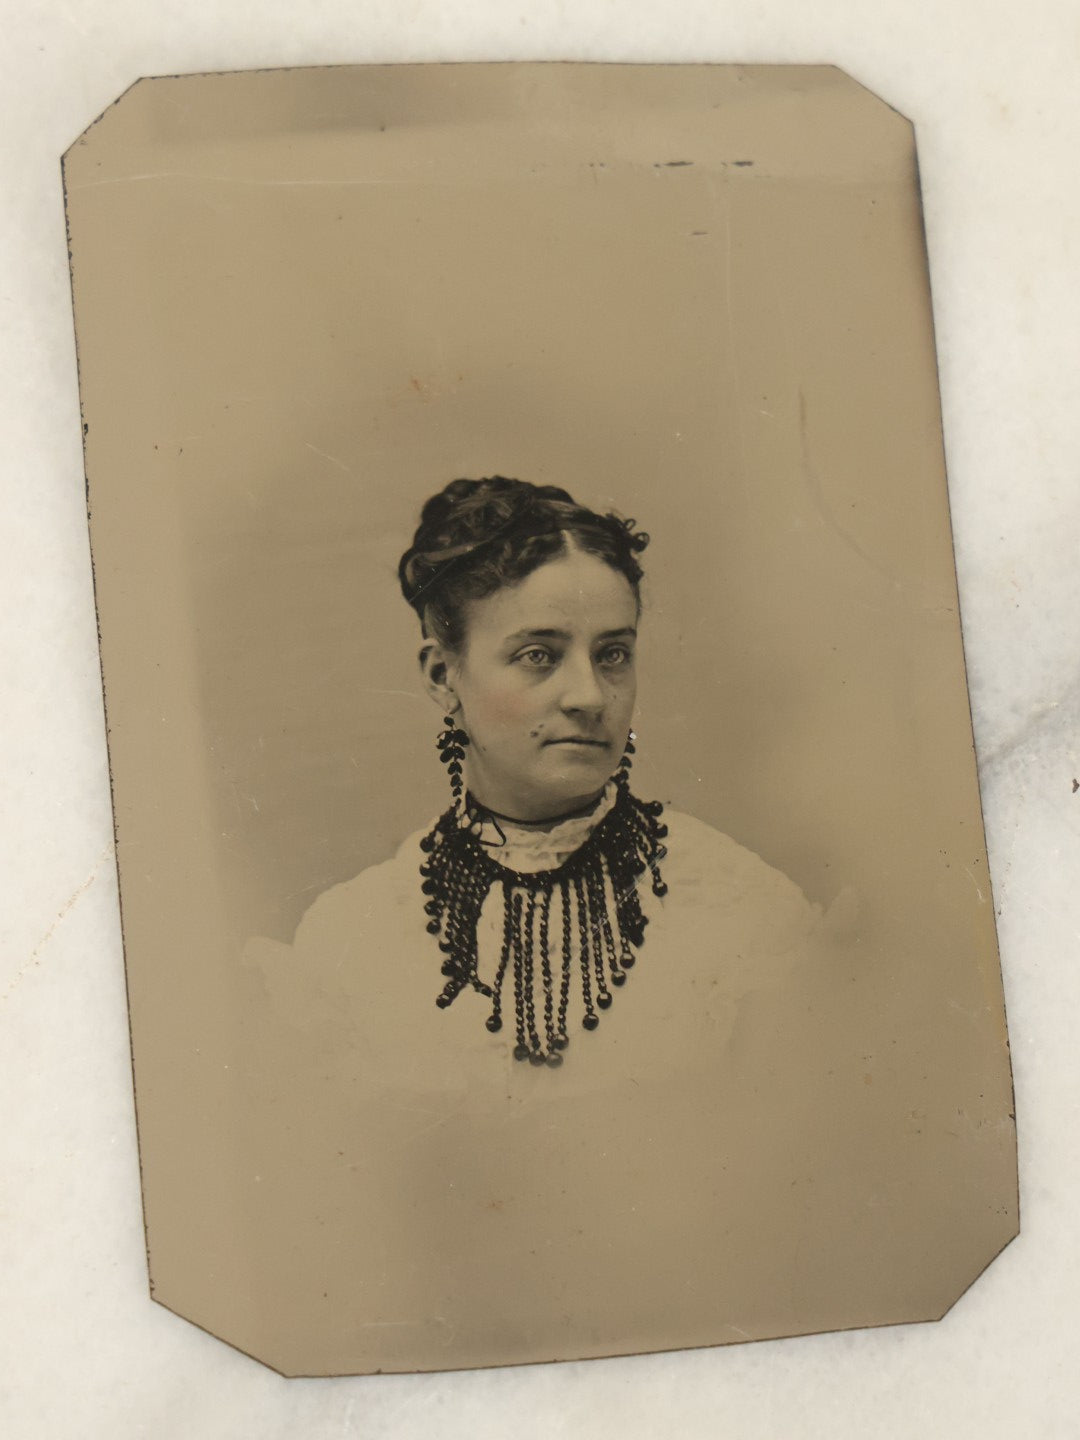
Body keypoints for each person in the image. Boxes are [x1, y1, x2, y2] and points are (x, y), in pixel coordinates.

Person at [238, 476, 831, 1372]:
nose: (589, 694)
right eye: (539, 655)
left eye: (615, 654)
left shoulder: (739, 911)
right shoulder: (356, 943)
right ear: (445, 675)